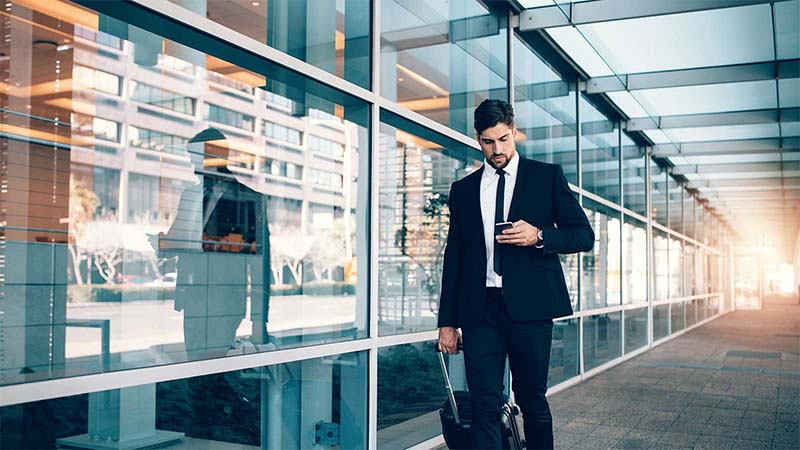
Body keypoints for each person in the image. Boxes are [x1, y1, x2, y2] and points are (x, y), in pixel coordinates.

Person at [437, 99, 594, 449]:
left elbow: (584, 235)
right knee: (484, 406)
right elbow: (455, 257)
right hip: (481, 311)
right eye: (489, 142)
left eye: (504, 140)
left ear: (514, 132)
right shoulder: (463, 190)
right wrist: (447, 322)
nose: (497, 150)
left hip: (531, 310)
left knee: (533, 401)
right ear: (478, 139)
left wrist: (539, 235)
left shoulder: (545, 177)